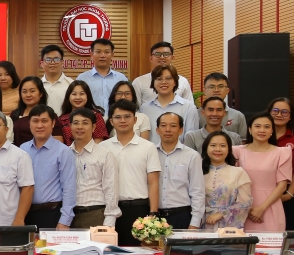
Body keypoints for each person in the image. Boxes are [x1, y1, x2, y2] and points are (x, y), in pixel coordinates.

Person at [96, 100, 161, 245]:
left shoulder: (148, 147)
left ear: (135, 120)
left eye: (127, 116)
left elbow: (153, 182)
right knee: (109, 253)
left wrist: (153, 213)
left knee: (138, 254)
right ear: (111, 121)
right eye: (118, 117)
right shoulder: (102, 147)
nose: (123, 121)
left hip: (139, 209)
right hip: (109, 210)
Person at [233, 112, 293, 232]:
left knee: (270, 242)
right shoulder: (237, 151)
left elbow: (282, 186)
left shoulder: (282, 153)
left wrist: (261, 208)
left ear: (272, 131)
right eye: (257, 126)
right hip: (242, 206)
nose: (262, 130)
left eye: (267, 127)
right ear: (250, 129)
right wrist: (247, 208)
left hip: (270, 205)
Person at [20, 106, 76, 229]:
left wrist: (65, 220)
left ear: (53, 123)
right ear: (29, 123)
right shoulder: (22, 149)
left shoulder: (63, 151)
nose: (39, 125)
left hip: (52, 214)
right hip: (26, 213)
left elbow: (69, 187)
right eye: (35, 121)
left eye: (44, 121)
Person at [67, 108, 120, 229]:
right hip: (68, 217)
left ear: (94, 127)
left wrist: (109, 223)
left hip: (94, 214)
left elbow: (111, 189)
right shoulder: (64, 154)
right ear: (70, 126)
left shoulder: (104, 154)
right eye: (76, 123)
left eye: (85, 123)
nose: (80, 127)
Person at [154, 113, 204, 230]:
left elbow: (197, 191)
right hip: (154, 216)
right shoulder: (150, 153)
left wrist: (195, 223)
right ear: (157, 130)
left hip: (181, 215)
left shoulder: (192, 155)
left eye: (173, 126)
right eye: (163, 125)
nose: (168, 129)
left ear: (181, 130)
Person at [267, 97, 294, 230]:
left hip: (288, 191)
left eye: (284, 112)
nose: (279, 115)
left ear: (291, 116)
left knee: (291, 233)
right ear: (269, 112)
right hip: (264, 189)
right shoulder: (262, 135)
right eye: (275, 110)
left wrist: (288, 195)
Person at [201, 132, 253, 231]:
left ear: (229, 149)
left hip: (228, 225)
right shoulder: (197, 172)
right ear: (206, 148)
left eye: (223, 146)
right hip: (201, 223)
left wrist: (221, 214)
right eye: (213, 145)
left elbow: (246, 202)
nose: (218, 149)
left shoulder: (238, 172)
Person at [139, 64, 199, 146]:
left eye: (168, 78)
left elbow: (191, 139)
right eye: (159, 79)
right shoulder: (144, 108)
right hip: (151, 153)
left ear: (175, 82)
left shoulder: (189, 107)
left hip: (180, 153)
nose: (164, 82)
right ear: (153, 83)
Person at [77, 38, 127, 114]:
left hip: (116, 119)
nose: (102, 55)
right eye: (98, 52)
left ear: (112, 55)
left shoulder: (121, 78)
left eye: (106, 52)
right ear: (92, 54)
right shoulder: (83, 78)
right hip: (91, 119)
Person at [58, 80, 108, 145]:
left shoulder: (96, 116)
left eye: (82, 94)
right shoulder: (61, 120)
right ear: (68, 97)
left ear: (87, 96)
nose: (78, 97)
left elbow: (98, 143)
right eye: (74, 94)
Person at [199, 73, 247, 138]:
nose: (216, 90)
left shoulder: (238, 116)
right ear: (204, 91)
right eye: (211, 87)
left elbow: (242, 141)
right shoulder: (196, 114)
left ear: (227, 90)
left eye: (221, 86)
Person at [10, 76, 50, 147]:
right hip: (17, 152)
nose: (28, 95)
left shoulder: (49, 114)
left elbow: (57, 142)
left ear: (41, 93)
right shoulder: (15, 114)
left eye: (32, 91)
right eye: (24, 92)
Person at [40, 45, 73, 113]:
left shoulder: (71, 84)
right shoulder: (37, 85)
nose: (52, 63)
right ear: (42, 63)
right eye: (48, 59)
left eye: (56, 59)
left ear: (62, 63)